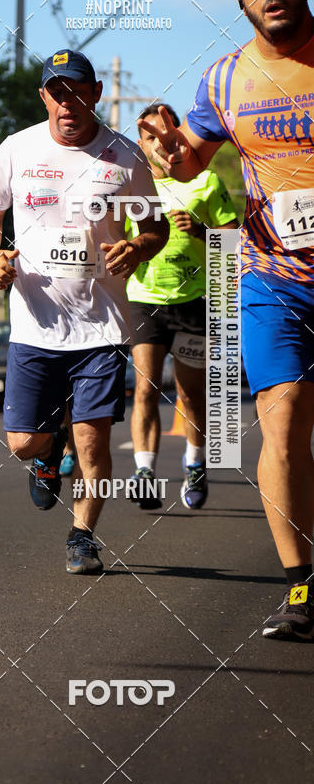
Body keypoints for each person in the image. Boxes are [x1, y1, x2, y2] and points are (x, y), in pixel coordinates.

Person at [138, 0, 314, 640]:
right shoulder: (222, 82)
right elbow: (189, 159)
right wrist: (165, 150)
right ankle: (301, 586)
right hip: (273, 276)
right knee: (284, 413)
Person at [0, 48, 168, 574]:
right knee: (22, 441)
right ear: (44, 97)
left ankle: (83, 535)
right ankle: (45, 451)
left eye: (78, 91)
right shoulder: (17, 149)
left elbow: (156, 226)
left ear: (96, 93)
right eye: (57, 92)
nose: (68, 102)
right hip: (35, 322)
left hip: (101, 325)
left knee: (93, 438)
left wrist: (141, 245)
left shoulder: (125, 156)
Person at [127, 104, 239, 511]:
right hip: (145, 299)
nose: (159, 144)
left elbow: (231, 245)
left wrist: (203, 230)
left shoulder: (206, 182)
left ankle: (195, 462)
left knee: (191, 395)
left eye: (166, 136)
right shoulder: (133, 188)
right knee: (145, 387)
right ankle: (144, 472)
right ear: (141, 143)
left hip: (194, 301)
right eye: (150, 137)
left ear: (180, 138)